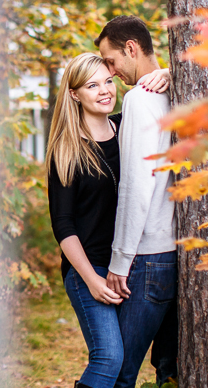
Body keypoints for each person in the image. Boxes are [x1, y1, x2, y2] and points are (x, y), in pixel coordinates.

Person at [47, 53, 169, 388]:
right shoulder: (66, 149)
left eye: (108, 81)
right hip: (90, 268)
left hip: (129, 264)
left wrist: (169, 74)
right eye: (92, 85)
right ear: (75, 94)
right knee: (109, 357)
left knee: (128, 364)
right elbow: (64, 226)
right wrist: (91, 280)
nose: (105, 91)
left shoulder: (126, 126)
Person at [95, 16, 178, 388]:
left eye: (110, 61)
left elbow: (135, 188)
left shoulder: (140, 100)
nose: (109, 72)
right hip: (174, 254)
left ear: (131, 48)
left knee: (117, 374)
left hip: (146, 260)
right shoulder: (175, 91)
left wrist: (120, 260)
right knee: (169, 369)